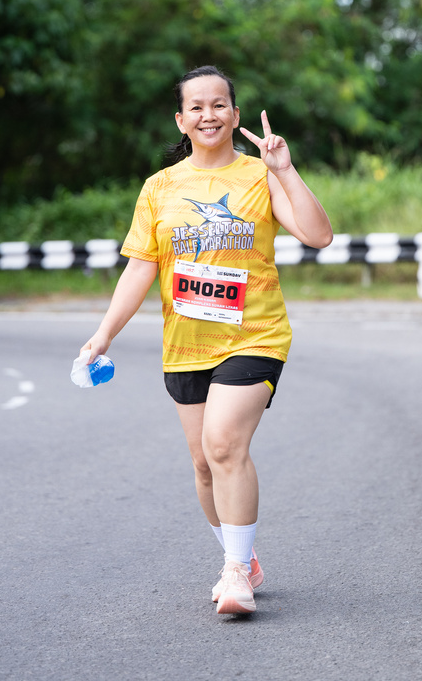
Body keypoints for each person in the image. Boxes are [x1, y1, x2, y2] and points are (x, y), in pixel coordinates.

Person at [80, 65, 333, 614]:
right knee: (203, 464)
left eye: (219, 105)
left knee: (223, 444)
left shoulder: (260, 175)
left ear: (235, 115)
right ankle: (243, 554)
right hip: (186, 343)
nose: (208, 114)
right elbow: (140, 268)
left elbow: (318, 235)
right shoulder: (160, 188)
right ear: (181, 120)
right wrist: (103, 334)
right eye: (196, 106)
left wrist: (285, 171)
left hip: (255, 336)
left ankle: (236, 574)